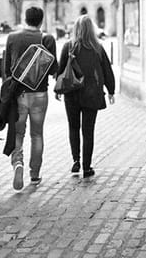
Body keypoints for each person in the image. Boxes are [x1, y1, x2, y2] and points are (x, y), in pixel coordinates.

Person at [4, 7, 57, 190]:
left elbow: (6, 70)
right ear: (41, 21)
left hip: (18, 94)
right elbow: (53, 69)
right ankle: (34, 174)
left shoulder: (12, 38)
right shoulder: (47, 39)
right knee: (37, 134)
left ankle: (17, 163)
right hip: (39, 94)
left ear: (25, 19)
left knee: (18, 133)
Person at [56, 15, 115, 178]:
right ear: (92, 30)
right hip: (91, 94)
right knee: (88, 131)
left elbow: (61, 70)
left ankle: (76, 160)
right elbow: (107, 71)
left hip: (72, 94)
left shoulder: (68, 47)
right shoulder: (97, 48)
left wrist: (57, 91)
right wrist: (111, 90)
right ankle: (87, 167)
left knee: (73, 127)